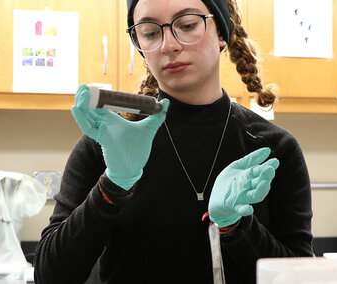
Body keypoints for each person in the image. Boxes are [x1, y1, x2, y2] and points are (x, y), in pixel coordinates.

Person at [33, 0, 313, 283]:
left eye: (187, 25)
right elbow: (50, 276)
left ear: (221, 33)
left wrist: (236, 226)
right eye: (150, 32)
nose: (168, 45)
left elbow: (300, 278)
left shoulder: (273, 149)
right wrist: (114, 185)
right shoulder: (109, 143)